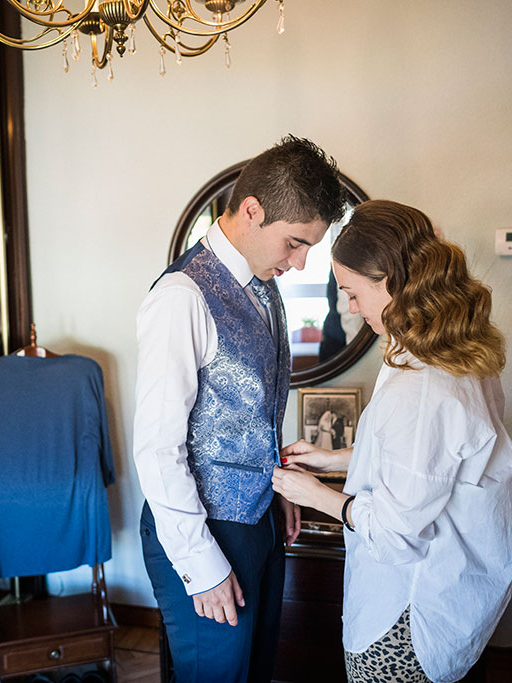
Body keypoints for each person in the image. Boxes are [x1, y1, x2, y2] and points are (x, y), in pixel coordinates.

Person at [272, 201, 512, 683]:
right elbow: (435, 461)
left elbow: (395, 535)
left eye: (352, 292)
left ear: (388, 281)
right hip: (455, 592)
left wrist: (317, 496)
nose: (350, 306)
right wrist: (335, 458)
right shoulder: (447, 345)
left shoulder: (420, 385)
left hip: (407, 619)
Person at [133, 135, 346, 682]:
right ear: (252, 211)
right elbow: (158, 448)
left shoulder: (261, 285)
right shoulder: (182, 296)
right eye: (295, 244)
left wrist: (277, 489)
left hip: (260, 522)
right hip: (203, 532)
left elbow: (249, 411)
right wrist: (202, 566)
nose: (299, 264)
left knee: (255, 673)